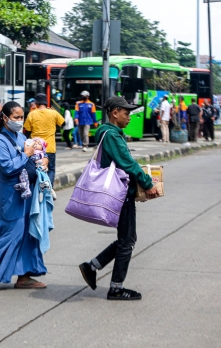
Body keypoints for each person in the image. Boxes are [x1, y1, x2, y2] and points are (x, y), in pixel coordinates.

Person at [79, 96, 158, 301]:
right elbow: (127, 164)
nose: (129, 117)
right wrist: (148, 184)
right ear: (115, 113)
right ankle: (115, 288)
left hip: (119, 192)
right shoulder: (112, 135)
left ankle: (92, 266)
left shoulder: (109, 133)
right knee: (127, 241)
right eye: (126, 113)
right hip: (120, 193)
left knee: (127, 239)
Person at [0, 101, 50, 290]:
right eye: (16, 117)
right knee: (11, 233)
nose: (20, 121)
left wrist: (43, 160)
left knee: (28, 233)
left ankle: (25, 275)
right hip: (9, 194)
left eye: (21, 117)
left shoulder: (20, 135)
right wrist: (25, 153)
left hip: (26, 193)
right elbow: (8, 167)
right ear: (5, 118)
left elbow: (33, 156)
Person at [24, 93, 65, 185]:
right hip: (49, 147)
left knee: (35, 168)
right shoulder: (53, 113)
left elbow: (27, 132)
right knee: (51, 169)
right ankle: (48, 187)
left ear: (36, 103)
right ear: (46, 103)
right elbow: (63, 124)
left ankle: (36, 189)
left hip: (35, 148)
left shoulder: (32, 114)